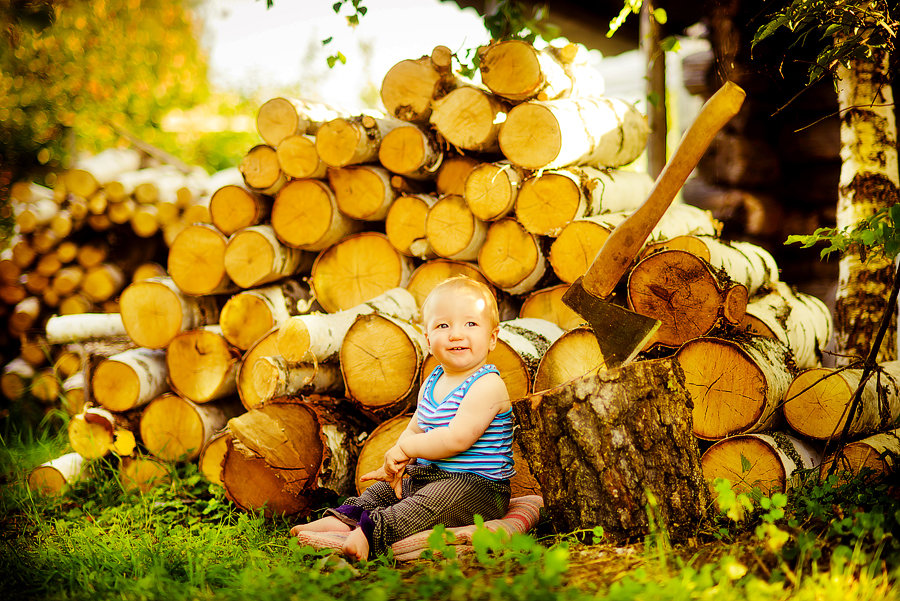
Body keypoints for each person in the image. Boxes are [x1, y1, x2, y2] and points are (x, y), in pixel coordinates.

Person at [291, 276, 515, 561]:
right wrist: (397, 460)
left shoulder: (487, 385)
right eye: (443, 325)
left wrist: (408, 449)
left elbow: (456, 439)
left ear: (492, 337)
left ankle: (371, 533)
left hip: (478, 487)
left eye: (470, 324)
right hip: (429, 477)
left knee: (429, 504)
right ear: (428, 339)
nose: (456, 334)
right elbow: (414, 428)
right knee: (385, 492)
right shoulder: (432, 382)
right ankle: (341, 521)